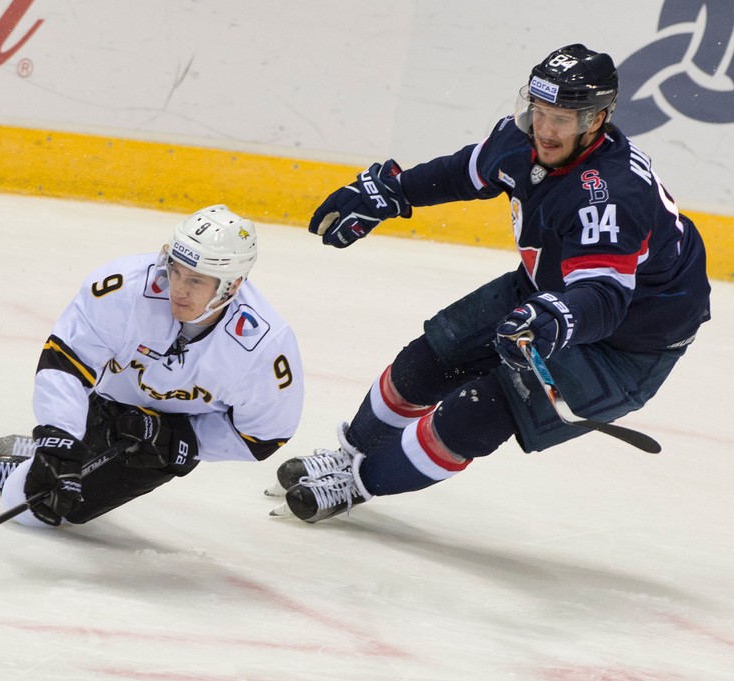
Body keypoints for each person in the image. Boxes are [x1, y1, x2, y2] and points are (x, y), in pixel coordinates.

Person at [271, 44, 711, 523]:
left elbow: (604, 298)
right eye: (539, 110)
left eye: (562, 119)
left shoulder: (609, 196)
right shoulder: (521, 139)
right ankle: (350, 456)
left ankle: (356, 483)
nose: (545, 129)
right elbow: (462, 173)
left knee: (477, 412)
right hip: (549, 293)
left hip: (627, 344)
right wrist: (394, 192)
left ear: (597, 120)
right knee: (428, 360)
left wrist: (555, 317)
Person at [0, 204, 304, 527]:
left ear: (233, 285)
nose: (178, 289)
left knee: (33, 507)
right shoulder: (125, 286)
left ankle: (33, 463)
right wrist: (59, 439)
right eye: (175, 270)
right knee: (36, 493)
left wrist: (180, 439)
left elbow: (264, 436)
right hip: (103, 398)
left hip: (158, 441)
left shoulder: (264, 346)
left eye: (195, 281)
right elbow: (66, 362)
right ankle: (60, 450)